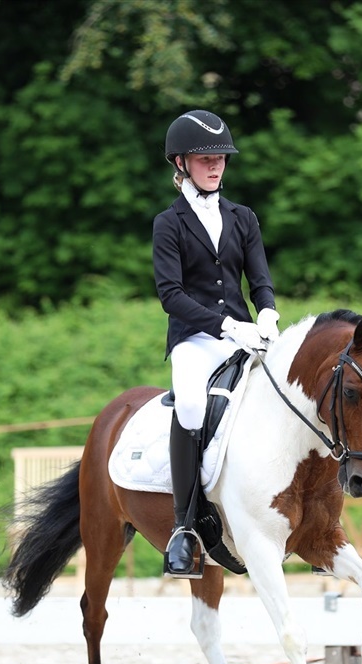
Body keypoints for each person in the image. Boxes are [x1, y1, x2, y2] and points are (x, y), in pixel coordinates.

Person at [152, 109, 280, 578]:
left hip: (245, 334)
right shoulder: (169, 223)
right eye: (205, 159)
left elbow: (259, 280)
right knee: (190, 404)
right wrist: (226, 325)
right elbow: (171, 296)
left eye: (221, 158)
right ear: (181, 163)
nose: (215, 166)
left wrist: (267, 312)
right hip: (195, 339)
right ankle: (184, 528)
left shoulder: (243, 217)